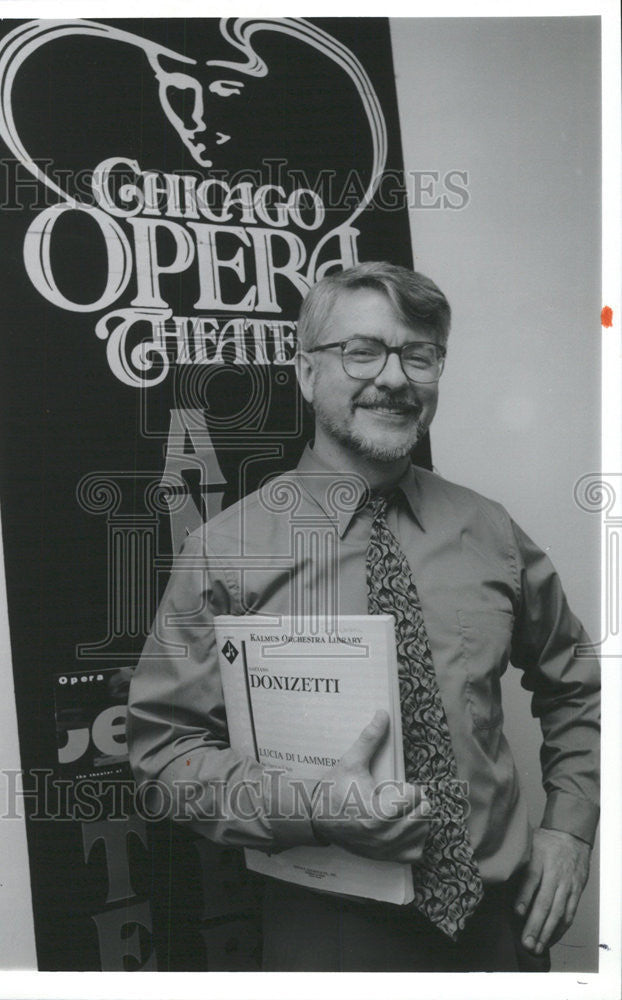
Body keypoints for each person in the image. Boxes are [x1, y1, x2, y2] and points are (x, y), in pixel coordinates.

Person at [126, 262, 600, 972]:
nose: (396, 378)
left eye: (420, 354)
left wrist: (570, 828)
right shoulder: (226, 552)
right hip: (332, 940)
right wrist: (315, 807)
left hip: (502, 935)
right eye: (363, 350)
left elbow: (576, 685)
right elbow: (162, 756)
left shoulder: (490, 530)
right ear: (307, 373)